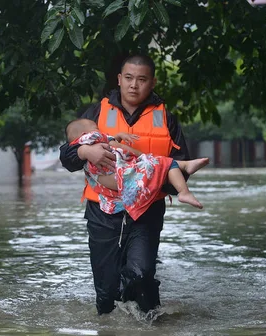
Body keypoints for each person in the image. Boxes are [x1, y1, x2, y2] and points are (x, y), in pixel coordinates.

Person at [59, 54, 192, 315]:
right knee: (106, 294)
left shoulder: (167, 118)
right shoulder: (96, 113)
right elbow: (67, 156)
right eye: (128, 78)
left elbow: (180, 165)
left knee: (141, 274)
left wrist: (147, 183)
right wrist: (87, 153)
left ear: (152, 82)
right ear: (119, 80)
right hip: (102, 213)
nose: (134, 85)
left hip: (146, 211)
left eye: (141, 80)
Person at [66, 118, 209, 220]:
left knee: (162, 164)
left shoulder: (167, 116)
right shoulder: (89, 138)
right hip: (120, 182)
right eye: (95, 127)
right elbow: (67, 155)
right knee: (165, 163)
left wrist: (117, 137)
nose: (98, 129)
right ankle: (184, 189)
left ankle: (183, 167)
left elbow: (107, 141)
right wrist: (84, 151)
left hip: (117, 184)